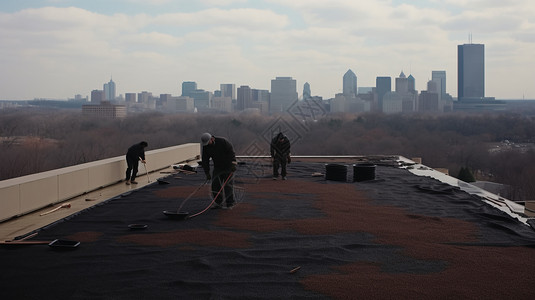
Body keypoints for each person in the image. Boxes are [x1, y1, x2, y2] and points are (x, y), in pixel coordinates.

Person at [201, 133, 237, 209]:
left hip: (228, 167)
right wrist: (207, 172)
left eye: (208, 142)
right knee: (215, 185)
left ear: (212, 139)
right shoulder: (206, 147)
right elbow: (205, 160)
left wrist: (233, 164)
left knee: (228, 186)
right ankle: (218, 203)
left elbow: (231, 152)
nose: (207, 144)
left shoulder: (223, 141)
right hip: (218, 167)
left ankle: (230, 203)